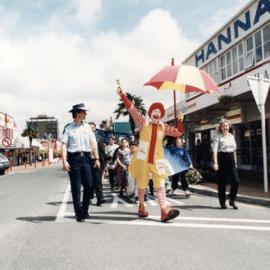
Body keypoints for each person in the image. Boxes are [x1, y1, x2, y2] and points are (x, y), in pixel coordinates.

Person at [117, 84, 184, 222]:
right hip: (142, 159)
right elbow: (132, 110)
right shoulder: (142, 123)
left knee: (160, 184)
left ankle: (164, 211)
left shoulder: (163, 127)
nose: (157, 114)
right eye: (155, 111)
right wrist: (123, 95)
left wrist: (180, 120)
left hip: (158, 160)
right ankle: (141, 206)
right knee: (142, 184)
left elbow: (178, 132)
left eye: (159, 112)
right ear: (150, 112)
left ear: (161, 115)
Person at [61, 103, 100, 222]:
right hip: (74, 159)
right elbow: (64, 145)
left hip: (87, 159)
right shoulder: (68, 128)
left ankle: (85, 209)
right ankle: (79, 214)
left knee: (89, 185)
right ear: (77, 113)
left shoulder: (88, 127)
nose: (86, 114)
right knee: (76, 187)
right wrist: (64, 161)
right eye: (84, 112)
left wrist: (97, 158)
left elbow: (93, 143)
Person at [212, 119, 239, 210]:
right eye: (223, 126)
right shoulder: (217, 137)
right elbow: (215, 151)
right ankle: (222, 202)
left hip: (231, 159)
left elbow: (234, 150)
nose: (225, 127)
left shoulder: (231, 136)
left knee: (236, 181)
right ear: (220, 127)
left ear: (229, 127)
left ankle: (232, 199)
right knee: (222, 183)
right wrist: (216, 163)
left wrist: (235, 162)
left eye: (226, 126)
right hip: (222, 159)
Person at [89, 122, 106, 206]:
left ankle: (100, 198)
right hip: (87, 162)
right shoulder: (84, 137)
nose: (91, 129)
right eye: (90, 127)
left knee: (97, 181)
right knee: (89, 181)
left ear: (95, 128)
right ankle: (89, 197)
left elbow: (102, 151)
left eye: (93, 127)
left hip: (98, 161)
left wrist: (104, 164)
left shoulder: (100, 138)